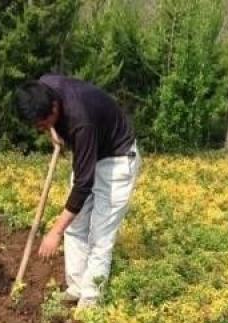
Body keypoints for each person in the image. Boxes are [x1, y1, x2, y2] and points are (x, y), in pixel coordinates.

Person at [14, 75, 141, 308]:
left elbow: (83, 185)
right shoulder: (45, 86)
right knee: (75, 225)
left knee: (100, 236)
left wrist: (54, 233)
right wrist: (53, 130)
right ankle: (77, 287)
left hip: (117, 161)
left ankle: (90, 303)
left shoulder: (81, 121)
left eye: (44, 123)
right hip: (92, 152)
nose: (41, 129)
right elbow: (82, 181)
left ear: (55, 107)